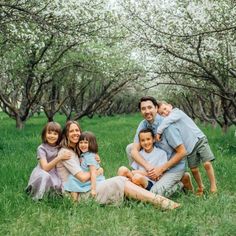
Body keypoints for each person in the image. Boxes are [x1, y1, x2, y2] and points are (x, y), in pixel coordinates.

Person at [56, 120, 180, 210]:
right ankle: (160, 201)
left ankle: (157, 200)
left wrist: (98, 167)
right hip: (78, 194)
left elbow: (91, 168)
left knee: (121, 180)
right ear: (66, 134)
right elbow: (82, 177)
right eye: (71, 131)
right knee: (120, 181)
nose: (75, 133)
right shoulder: (65, 153)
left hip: (86, 187)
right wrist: (98, 172)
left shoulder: (78, 151)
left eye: (77, 130)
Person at [126, 96, 194, 197]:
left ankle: (182, 181)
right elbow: (134, 151)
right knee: (130, 148)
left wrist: (160, 170)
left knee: (154, 194)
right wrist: (148, 167)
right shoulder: (143, 124)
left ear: (156, 108)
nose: (147, 111)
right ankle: (143, 175)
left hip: (172, 167)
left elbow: (182, 152)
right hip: (154, 165)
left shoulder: (167, 126)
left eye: (150, 107)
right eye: (143, 109)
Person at [156, 101, 217, 195]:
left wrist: (159, 131)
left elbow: (168, 120)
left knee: (207, 164)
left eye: (165, 109)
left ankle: (213, 187)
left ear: (170, 106)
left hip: (199, 139)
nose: (165, 113)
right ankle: (201, 187)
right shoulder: (167, 124)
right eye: (161, 113)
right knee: (194, 169)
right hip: (189, 148)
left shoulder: (177, 112)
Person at [26, 122, 71, 200]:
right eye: (49, 133)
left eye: (55, 134)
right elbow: (45, 168)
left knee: (60, 183)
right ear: (44, 134)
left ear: (59, 136)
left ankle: (50, 196)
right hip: (42, 171)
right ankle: (38, 197)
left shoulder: (60, 147)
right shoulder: (41, 148)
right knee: (45, 177)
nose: (52, 136)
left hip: (55, 172)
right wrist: (59, 157)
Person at [63, 131, 105, 201]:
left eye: (86, 143)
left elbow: (93, 173)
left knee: (72, 179)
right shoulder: (85, 154)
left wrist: (93, 189)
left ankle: (74, 201)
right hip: (87, 176)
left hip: (94, 179)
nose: (83, 145)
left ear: (92, 144)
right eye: (81, 142)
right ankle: (74, 200)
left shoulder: (90, 156)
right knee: (72, 178)